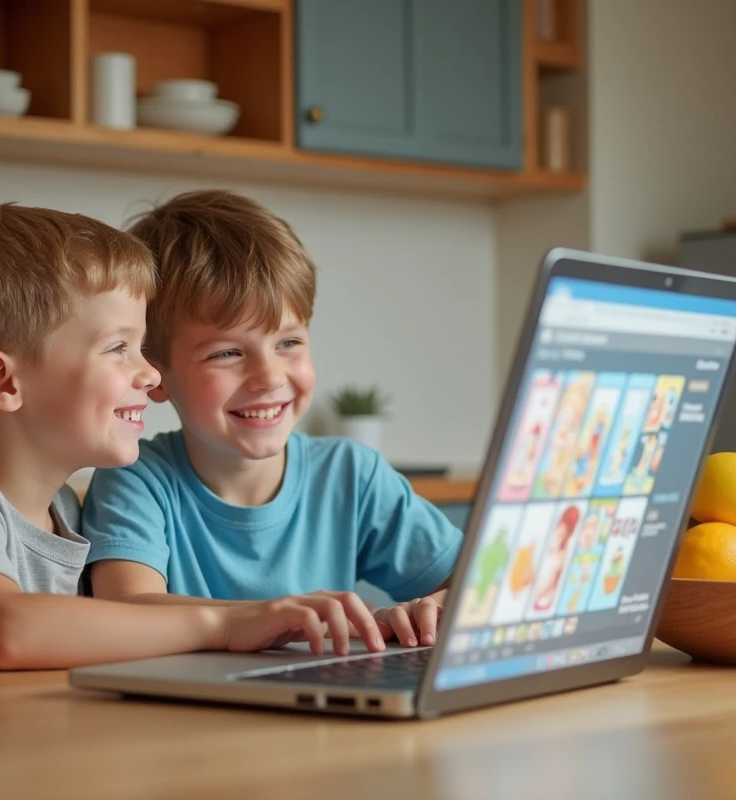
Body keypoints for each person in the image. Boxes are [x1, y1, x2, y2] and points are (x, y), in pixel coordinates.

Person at [0, 202, 382, 671]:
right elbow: (7, 630)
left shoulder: (63, 509)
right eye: (119, 348)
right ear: (4, 382)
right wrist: (223, 624)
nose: (149, 374)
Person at [83, 190, 464, 648]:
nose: (269, 377)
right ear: (155, 372)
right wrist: (265, 617)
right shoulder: (136, 479)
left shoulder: (351, 475)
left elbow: (482, 584)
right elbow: (126, 610)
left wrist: (434, 608)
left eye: (289, 343)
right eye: (227, 352)